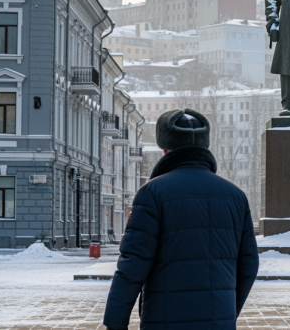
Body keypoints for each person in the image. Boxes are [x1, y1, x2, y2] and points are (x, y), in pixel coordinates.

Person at [103, 109, 259, 330]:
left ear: (165, 149)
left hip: (165, 321)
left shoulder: (153, 193)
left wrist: (115, 323)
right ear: (204, 146)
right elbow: (249, 265)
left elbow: (133, 265)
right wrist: (228, 312)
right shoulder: (236, 196)